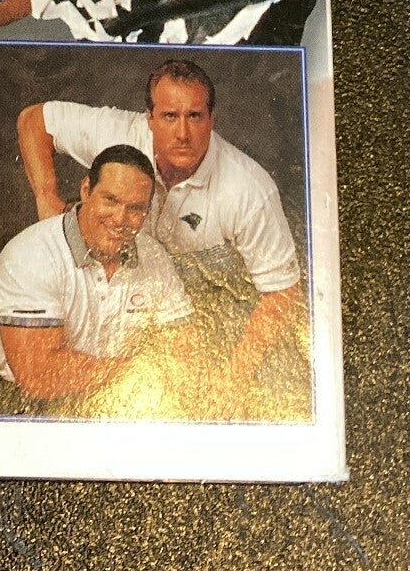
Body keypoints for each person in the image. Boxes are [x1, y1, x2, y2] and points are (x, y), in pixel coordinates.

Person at [15, 58, 305, 404]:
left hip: (211, 309)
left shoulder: (248, 190)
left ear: (212, 119)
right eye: (169, 116)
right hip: (127, 305)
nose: (182, 133)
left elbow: (283, 292)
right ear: (149, 118)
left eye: (194, 116)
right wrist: (46, 199)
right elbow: (34, 120)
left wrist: (232, 379)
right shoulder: (119, 134)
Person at [0, 144, 193, 416]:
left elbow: (183, 348)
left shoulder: (153, 255)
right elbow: (39, 376)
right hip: (25, 406)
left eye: (135, 208)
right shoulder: (31, 254)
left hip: (122, 398)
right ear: (86, 190)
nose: (120, 219)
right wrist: (138, 369)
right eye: (110, 200)